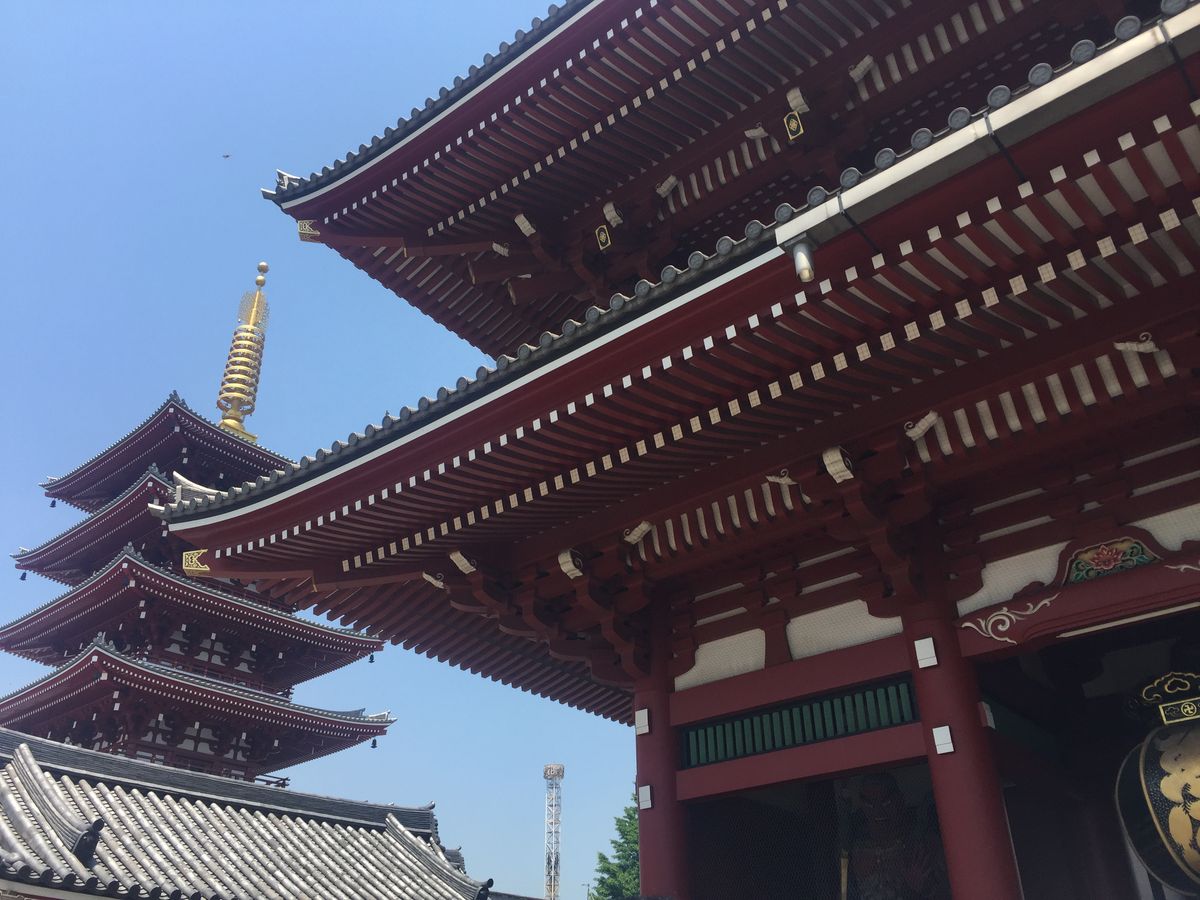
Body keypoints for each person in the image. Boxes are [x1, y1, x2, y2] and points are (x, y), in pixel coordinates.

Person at [846, 772, 950, 900]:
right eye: (870, 804)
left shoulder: (925, 846)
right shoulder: (854, 853)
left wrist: (923, 888)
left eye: (886, 802)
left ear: (900, 800)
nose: (878, 811)